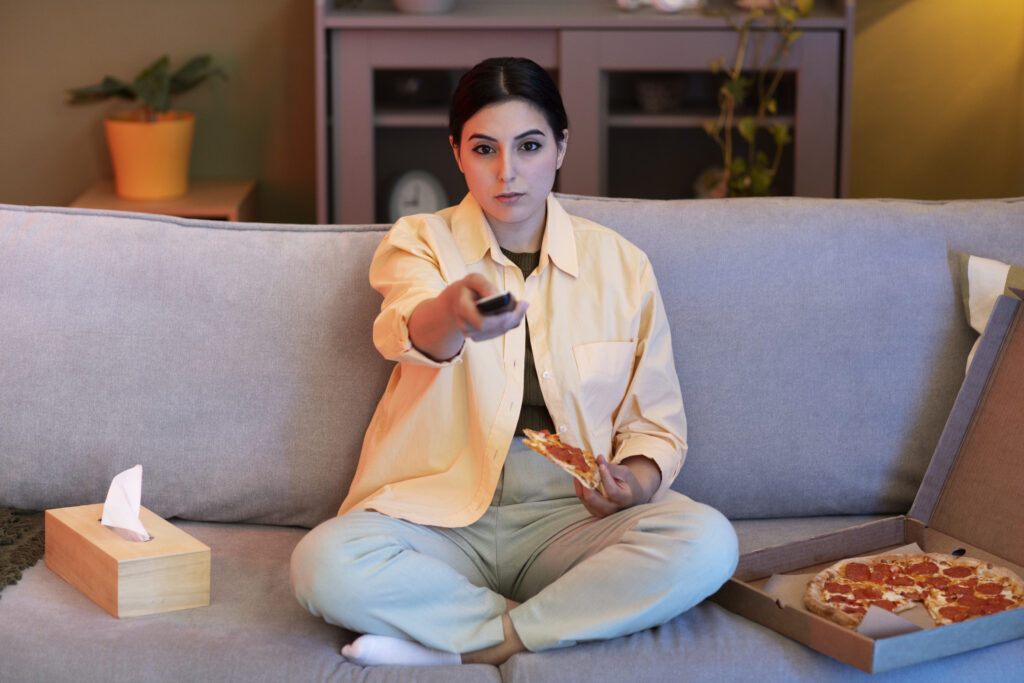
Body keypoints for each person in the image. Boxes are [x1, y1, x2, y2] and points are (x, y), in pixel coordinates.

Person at [290, 56, 738, 667]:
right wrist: (453, 312)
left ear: (560, 147)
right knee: (322, 564)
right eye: (484, 149)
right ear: (457, 153)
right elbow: (407, 329)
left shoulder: (623, 267)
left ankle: (467, 644)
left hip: (568, 516)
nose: (508, 173)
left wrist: (631, 483)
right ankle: (540, 628)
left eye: (528, 146)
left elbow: (654, 423)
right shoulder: (420, 241)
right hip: (439, 515)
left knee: (708, 541)